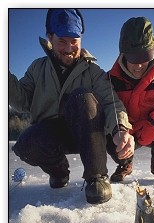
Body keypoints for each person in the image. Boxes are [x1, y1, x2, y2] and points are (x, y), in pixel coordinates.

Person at [9, 9, 134, 204]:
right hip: (54, 135)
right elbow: (22, 102)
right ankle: (59, 172)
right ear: (50, 37)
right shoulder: (37, 67)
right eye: (62, 41)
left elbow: (111, 103)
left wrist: (121, 129)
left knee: (82, 97)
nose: (69, 48)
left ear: (81, 39)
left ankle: (96, 177)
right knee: (26, 144)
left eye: (74, 41)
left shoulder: (93, 71)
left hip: (89, 134)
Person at [107, 16, 154, 182]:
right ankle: (125, 164)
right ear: (123, 54)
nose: (139, 65)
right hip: (126, 134)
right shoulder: (109, 79)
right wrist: (120, 132)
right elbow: (107, 108)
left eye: (145, 56)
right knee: (105, 134)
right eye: (133, 58)